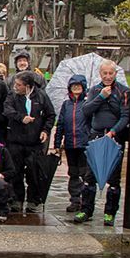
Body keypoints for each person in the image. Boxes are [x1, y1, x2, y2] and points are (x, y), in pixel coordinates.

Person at [79, 60, 130, 226]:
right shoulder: (94, 90)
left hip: (114, 137)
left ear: (115, 73)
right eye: (105, 73)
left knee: (113, 178)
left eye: (111, 73)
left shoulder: (124, 91)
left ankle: (110, 212)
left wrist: (113, 131)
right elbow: (86, 110)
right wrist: (102, 97)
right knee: (90, 175)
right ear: (100, 74)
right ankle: (86, 209)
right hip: (96, 136)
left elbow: (125, 116)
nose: (108, 76)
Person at [2, 70, 55, 214]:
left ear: (27, 86)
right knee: (16, 171)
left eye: (19, 85)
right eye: (15, 84)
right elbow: (7, 110)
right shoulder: (12, 96)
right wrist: (20, 117)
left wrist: (46, 130)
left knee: (34, 173)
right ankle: (17, 199)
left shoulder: (41, 96)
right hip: (16, 140)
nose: (15, 87)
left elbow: (51, 115)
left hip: (34, 142)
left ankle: (33, 200)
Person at [55, 74, 90, 218]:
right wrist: (57, 142)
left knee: (85, 173)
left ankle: (85, 200)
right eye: (73, 86)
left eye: (79, 86)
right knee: (73, 172)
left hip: (84, 144)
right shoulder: (66, 104)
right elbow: (61, 124)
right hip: (70, 144)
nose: (76, 88)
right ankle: (75, 199)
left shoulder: (88, 103)